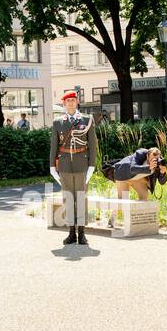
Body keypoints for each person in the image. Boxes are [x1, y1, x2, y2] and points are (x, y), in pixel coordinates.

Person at [49, 89, 97, 245]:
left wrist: (92, 165)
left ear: (77, 102)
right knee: (68, 198)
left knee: (81, 198)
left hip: (82, 163)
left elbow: (93, 144)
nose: (70, 103)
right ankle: (71, 232)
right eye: (67, 101)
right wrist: (52, 166)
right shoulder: (58, 122)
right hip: (64, 164)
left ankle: (81, 233)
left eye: (73, 100)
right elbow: (54, 145)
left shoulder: (87, 120)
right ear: (64, 103)